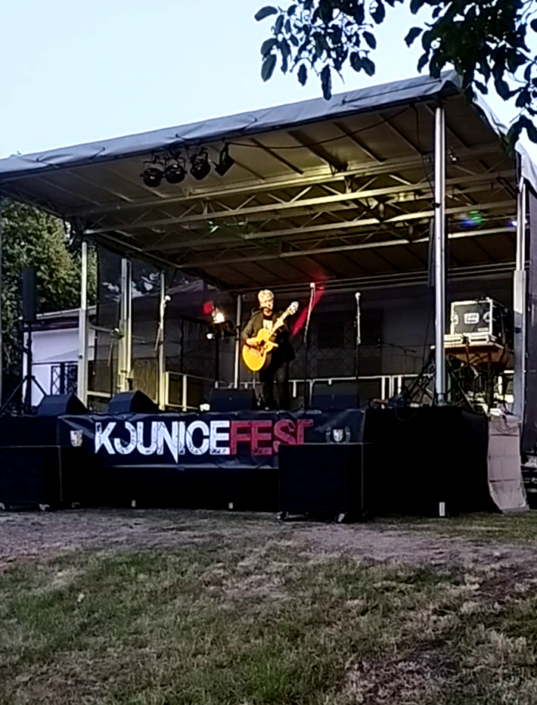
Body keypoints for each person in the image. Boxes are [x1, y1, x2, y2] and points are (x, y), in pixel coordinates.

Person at [241, 289, 295, 410]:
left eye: (270, 301)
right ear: (260, 303)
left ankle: (284, 410)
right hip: (263, 357)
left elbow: (287, 332)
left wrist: (281, 328)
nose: (269, 304)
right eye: (265, 301)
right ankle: (268, 408)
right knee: (265, 384)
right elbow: (244, 334)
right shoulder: (256, 318)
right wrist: (250, 341)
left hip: (280, 357)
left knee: (282, 384)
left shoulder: (280, 315)